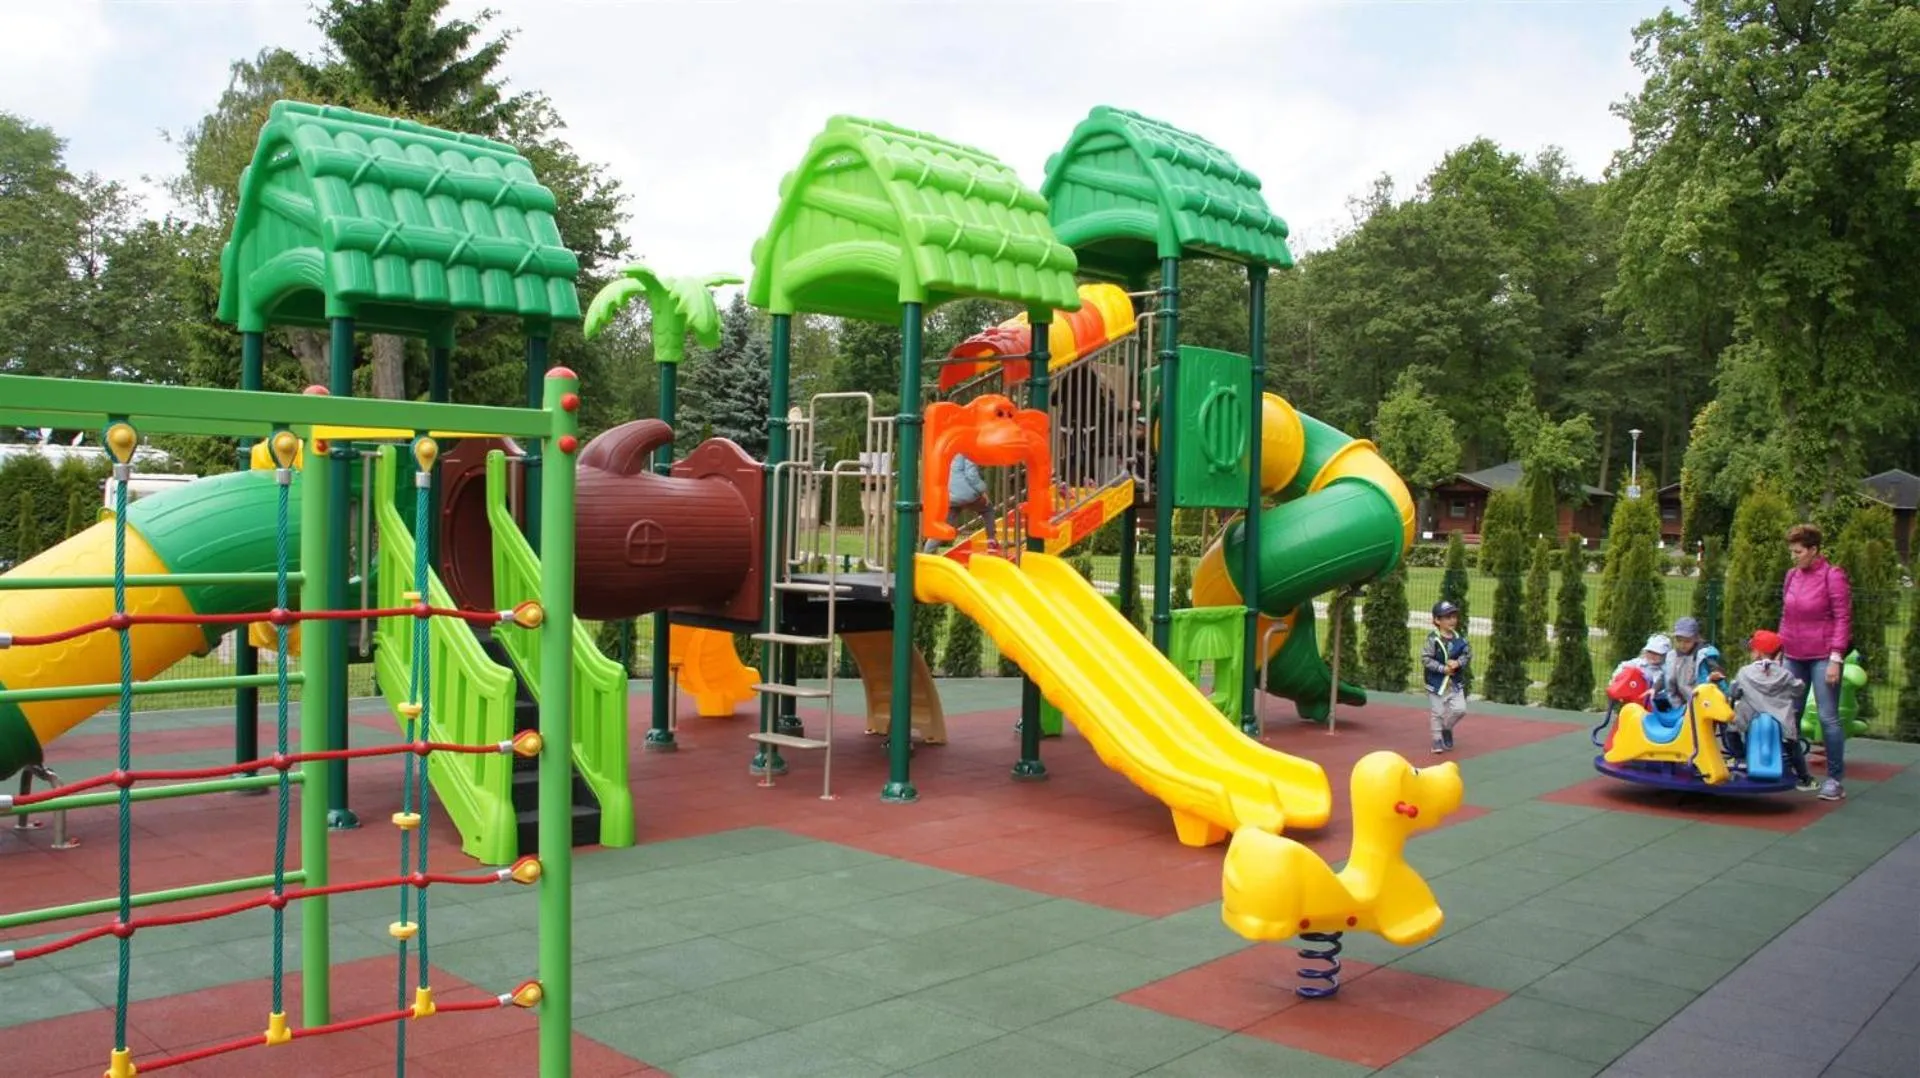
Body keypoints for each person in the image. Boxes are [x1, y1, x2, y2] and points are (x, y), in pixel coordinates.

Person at [1779, 522, 1852, 801]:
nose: (1794, 556)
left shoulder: (1832, 576)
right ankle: (1795, 770)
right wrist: (1779, 649)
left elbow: (1842, 618)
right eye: (1792, 551)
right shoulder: (1791, 576)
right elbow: (1786, 616)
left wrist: (1835, 658)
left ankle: (1834, 780)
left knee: (1827, 717)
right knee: (1789, 714)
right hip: (1793, 656)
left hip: (1823, 656)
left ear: (1813, 550)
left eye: (1798, 551)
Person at [1727, 629, 1817, 791]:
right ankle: (1805, 778)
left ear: (1758, 653)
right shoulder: (1785, 675)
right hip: (1780, 718)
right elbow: (1798, 689)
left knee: (1731, 729)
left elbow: (1734, 692)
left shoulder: (1744, 673)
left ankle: (1740, 758)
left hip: (1750, 716)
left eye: (1752, 650)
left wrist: (1736, 692)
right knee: (1792, 742)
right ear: (1778, 654)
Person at [1422, 600, 1471, 754]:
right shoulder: (1433, 640)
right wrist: (1443, 668)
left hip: (1455, 683)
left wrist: (1458, 663)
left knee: (1460, 709)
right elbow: (1426, 659)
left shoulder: (1460, 639)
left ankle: (1446, 728)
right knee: (1438, 712)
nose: (1452, 620)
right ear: (1437, 620)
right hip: (1436, 683)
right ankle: (1437, 739)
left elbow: (1467, 654)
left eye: (1454, 617)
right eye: (1448, 617)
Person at [923, 453, 994, 554]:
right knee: (988, 508)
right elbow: (971, 475)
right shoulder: (967, 451)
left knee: (945, 526)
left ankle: (927, 552)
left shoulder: (947, 451)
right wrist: (983, 490)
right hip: (966, 494)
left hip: (950, 495)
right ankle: (991, 540)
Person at [1664, 616, 1725, 698]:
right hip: (1682, 701)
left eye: (1687, 641)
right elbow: (1667, 677)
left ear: (1696, 638)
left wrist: (1715, 675)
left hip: (1705, 699)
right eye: (1679, 640)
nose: (1682, 645)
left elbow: (1715, 669)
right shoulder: (1673, 656)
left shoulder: (1704, 654)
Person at [1613, 634, 1675, 711]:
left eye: (1657, 653)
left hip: (1656, 709)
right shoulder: (1638, 663)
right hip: (1634, 704)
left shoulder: (1666, 670)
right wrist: (1616, 682)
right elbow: (1622, 668)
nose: (1652, 655)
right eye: (1650, 652)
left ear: (1665, 655)